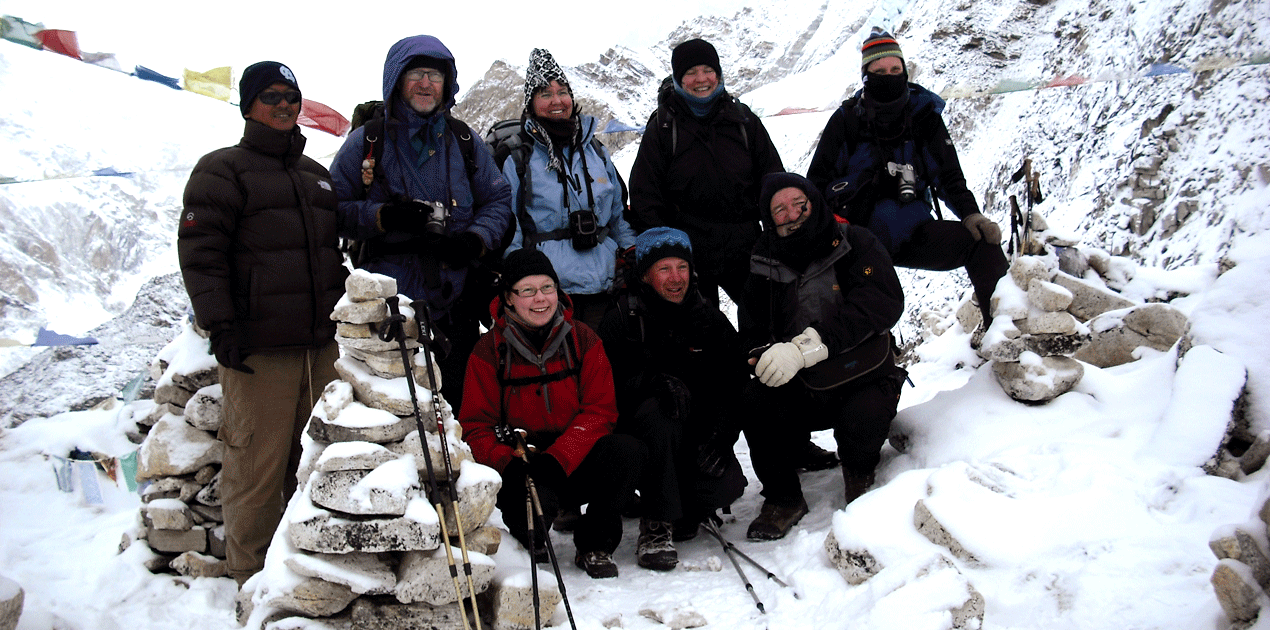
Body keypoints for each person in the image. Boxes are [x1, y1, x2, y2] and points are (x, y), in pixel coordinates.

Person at [177, 61, 348, 586]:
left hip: (320, 347)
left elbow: (330, 253)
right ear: (249, 104)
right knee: (256, 466)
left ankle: (307, 567)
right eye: (271, 95)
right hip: (258, 349)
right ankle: (250, 574)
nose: (284, 105)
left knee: (317, 461)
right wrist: (221, 324)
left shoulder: (315, 175)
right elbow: (201, 254)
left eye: (292, 97)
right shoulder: (220, 170)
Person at [331, 35, 513, 408]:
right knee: (394, 416)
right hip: (387, 311)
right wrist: (383, 216)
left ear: (447, 84)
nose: (426, 83)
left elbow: (497, 199)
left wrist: (473, 241)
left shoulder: (464, 140)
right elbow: (333, 209)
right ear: (397, 79)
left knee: (457, 410)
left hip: (455, 304)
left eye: (435, 74)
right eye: (416, 73)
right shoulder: (367, 142)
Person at [738, 172, 908, 541]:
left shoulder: (856, 242)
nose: (791, 214)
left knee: (863, 420)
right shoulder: (763, 261)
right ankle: (783, 498)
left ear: (814, 201)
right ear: (769, 218)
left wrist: (808, 346)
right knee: (754, 401)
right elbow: (751, 328)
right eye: (779, 209)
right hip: (804, 388)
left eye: (798, 203)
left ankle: (860, 474)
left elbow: (882, 302)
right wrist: (763, 356)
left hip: (861, 374)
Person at [458, 249, 647, 579]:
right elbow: (476, 426)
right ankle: (530, 537)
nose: (540, 299)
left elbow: (600, 411)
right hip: (524, 466)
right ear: (508, 298)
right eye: (527, 291)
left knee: (627, 452)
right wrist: (507, 463)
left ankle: (595, 543)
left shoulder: (583, 339)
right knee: (531, 509)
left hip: (573, 458)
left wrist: (560, 458)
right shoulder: (488, 351)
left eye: (547, 288)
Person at [806, 28, 1007, 323]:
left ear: (905, 70)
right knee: (867, 309)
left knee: (981, 244)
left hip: (914, 233)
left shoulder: (924, 116)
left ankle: (1003, 333)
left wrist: (971, 215)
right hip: (859, 243)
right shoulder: (847, 121)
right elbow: (816, 185)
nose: (889, 76)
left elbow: (948, 177)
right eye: (880, 71)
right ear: (866, 76)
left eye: (895, 69)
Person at [597, 227, 748, 571]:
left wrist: (723, 437)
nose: (675, 278)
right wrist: (651, 383)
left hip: (693, 434)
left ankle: (682, 508)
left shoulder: (708, 317)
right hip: (642, 437)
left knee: (727, 486)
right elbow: (604, 386)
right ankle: (655, 524)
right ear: (646, 275)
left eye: (682, 267)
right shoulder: (623, 317)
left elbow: (736, 380)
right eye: (664, 269)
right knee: (659, 411)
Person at [627, 37, 785, 323]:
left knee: (769, 317)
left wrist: (776, 234)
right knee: (702, 332)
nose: (701, 79)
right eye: (690, 73)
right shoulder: (663, 128)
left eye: (708, 70)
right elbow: (644, 194)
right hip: (689, 253)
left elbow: (773, 180)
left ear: (719, 73)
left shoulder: (744, 121)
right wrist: (667, 252)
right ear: (678, 79)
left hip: (745, 245)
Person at [502, 48, 637, 331]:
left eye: (562, 92)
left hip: (606, 286)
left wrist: (630, 252)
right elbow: (510, 228)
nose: (557, 101)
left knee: (605, 366)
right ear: (530, 103)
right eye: (545, 94)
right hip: (549, 293)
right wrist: (517, 279)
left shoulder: (597, 152)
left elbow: (616, 217)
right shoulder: (519, 158)